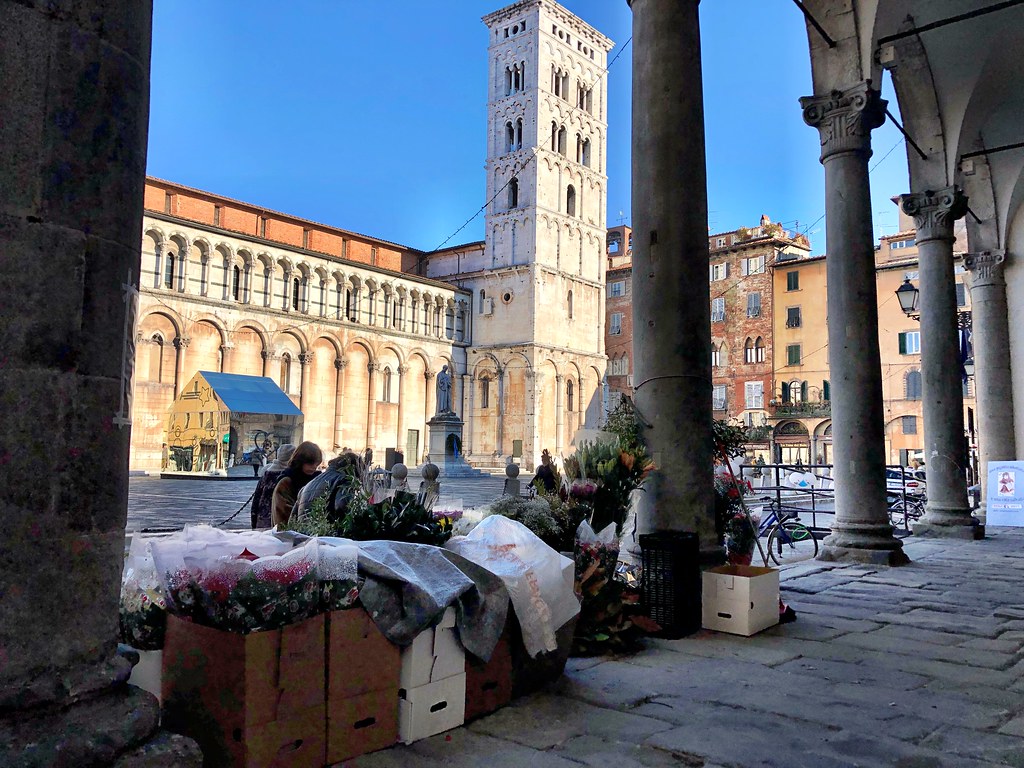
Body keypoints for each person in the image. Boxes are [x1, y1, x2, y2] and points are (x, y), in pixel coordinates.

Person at [294, 450, 362, 522]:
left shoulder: (307, 485)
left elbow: (293, 518)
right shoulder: (345, 480)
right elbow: (342, 508)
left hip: (304, 528)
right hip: (326, 527)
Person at [271, 441, 323, 527]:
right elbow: (283, 514)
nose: (314, 467)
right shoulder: (286, 482)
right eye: (310, 463)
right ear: (300, 461)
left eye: (316, 464)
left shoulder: (317, 481)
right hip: (291, 531)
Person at [251, 443, 295, 528]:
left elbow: (256, 500)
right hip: (281, 523)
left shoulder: (267, 473)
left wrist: (254, 523)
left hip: (263, 520)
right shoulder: (290, 476)